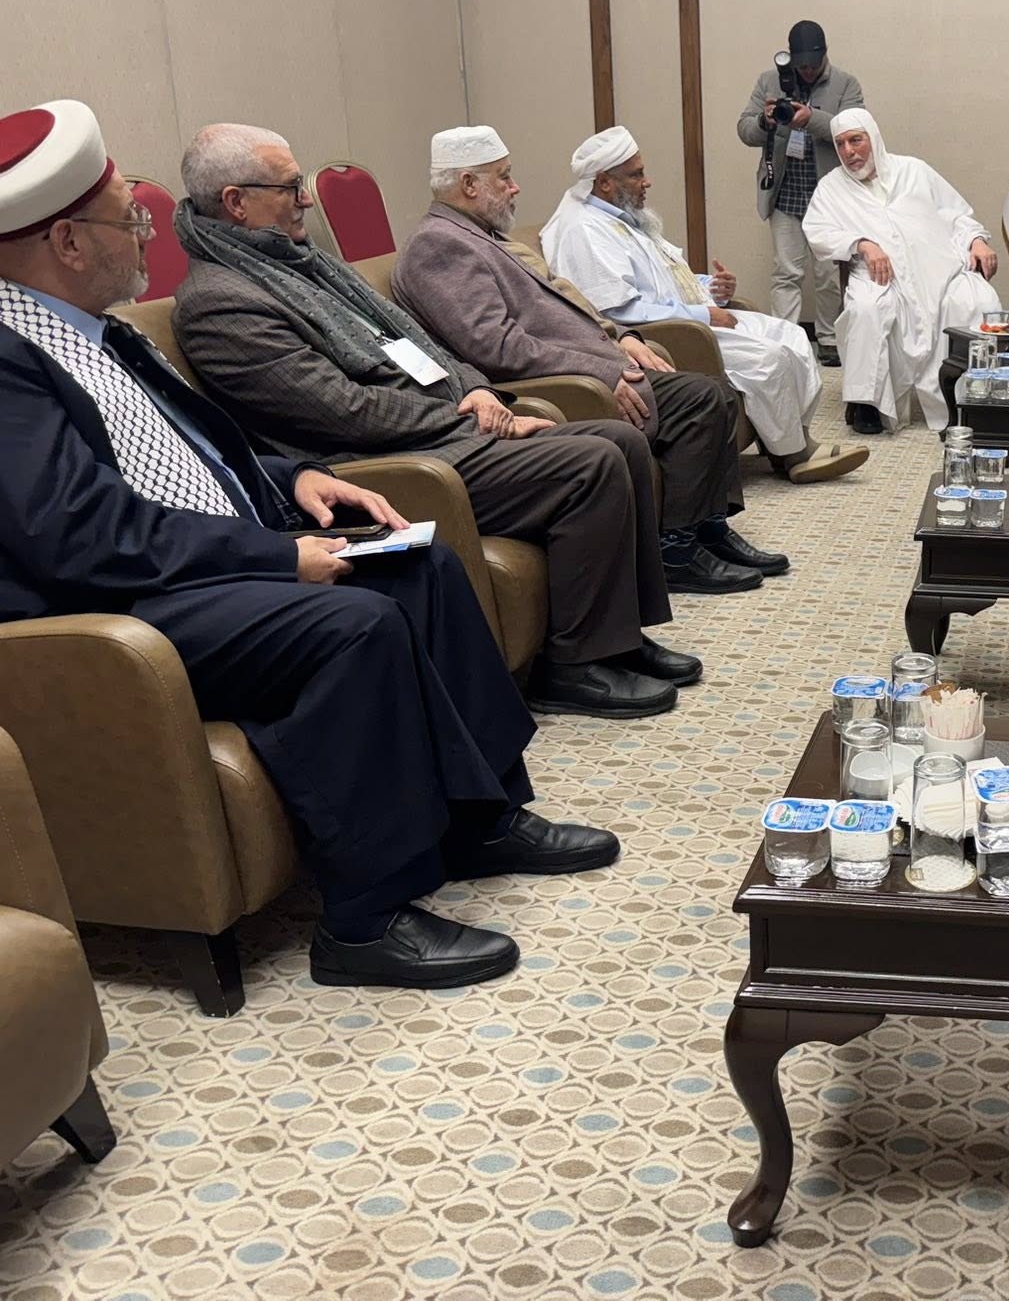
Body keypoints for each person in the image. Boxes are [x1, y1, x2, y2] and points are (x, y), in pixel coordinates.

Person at [0, 99, 619, 990]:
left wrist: (294, 478)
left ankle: (479, 821)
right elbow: (80, 536)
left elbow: (194, 450)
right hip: (118, 606)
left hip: (196, 563)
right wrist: (277, 556)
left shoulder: (97, 330)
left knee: (422, 565)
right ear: (65, 242)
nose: (146, 235)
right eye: (128, 220)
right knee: (354, 625)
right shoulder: (11, 357)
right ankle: (365, 922)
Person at [169, 123, 764, 723]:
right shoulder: (220, 302)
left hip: (439, 431)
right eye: (291, 187)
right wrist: (465, 417)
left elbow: (423, 345)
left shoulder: (305, 264)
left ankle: (618, 640)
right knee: (593, 461)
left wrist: (477, 389)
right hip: (383, 466)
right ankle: (573, 665)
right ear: (236, 202)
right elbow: (340, 410)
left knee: (619, 439)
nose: (306, 200)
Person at [516, 125, 862, 484]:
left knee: (793, 335)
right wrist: (703, 313)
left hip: (686, 317)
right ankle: (793, 455)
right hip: (662, 333)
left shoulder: (619, 217)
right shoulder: (583, 230)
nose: (647, 182)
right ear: (604, 182)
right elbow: (615, 310)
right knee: (769, 359)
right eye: (636, 175)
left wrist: (710, 288)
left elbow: (661, 277)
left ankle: (795, 440)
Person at [802, 109, 1002, 434]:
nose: (849, 151)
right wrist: (862, 244)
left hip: (939, 270)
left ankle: (975, 397)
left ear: (873, 137)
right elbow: (818, 232)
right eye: (841, 144)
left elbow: (957, 215)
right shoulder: (832, 187)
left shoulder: (914, 171)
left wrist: (976, 240)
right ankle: (867, 402)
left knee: (978, 300)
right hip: (879, 278)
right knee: (867, 308)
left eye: (856, 140)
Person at [738, 20, 864, 366]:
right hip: (786, 194)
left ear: (824, 55)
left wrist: (812, 119)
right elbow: (744, 129)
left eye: (812, 64)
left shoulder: (846, 84)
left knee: (828, 275)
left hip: (830, 197)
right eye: (801, 65)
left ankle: (829, 339)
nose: (807, 71)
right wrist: (765, 122)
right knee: (786, 272)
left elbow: (857, 130)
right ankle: (787, 341)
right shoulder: (769, 81)